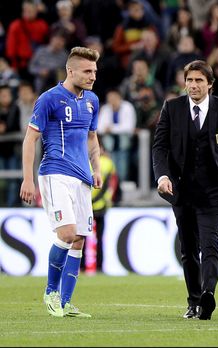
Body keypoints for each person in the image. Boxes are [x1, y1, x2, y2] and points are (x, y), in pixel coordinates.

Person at [152, 60, 218, 320]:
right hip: (182, 190)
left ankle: (207, 294)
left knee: (210, 245)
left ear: (210, 84)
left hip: (214, 190)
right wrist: (162, 176)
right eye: (189, 80)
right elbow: (159, 147)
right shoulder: (172, 108)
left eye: (198, 80)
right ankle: (193, 300)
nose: (193, 85)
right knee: (188, 249)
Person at [20, 46, 101, 318]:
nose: (92, 76)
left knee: (79, 239)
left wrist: (97, 168)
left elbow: (92, 138)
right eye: (87, 71)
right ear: (71, 70)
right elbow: (30, 139)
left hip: (82, 177)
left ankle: (66, 303)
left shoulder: (92, 101)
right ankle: (51, 292)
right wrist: (27, 179)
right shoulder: (49, 99)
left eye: (94, 71)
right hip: (55, 172)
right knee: (66, 234)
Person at [84, 140, 118, 272]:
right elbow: (113, 184)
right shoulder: (108, 163)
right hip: (100, 206)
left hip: (91, 205)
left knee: (83, 238)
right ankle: (99, 267)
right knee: (99, 239)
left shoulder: (87, 162)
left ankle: (83, 267)